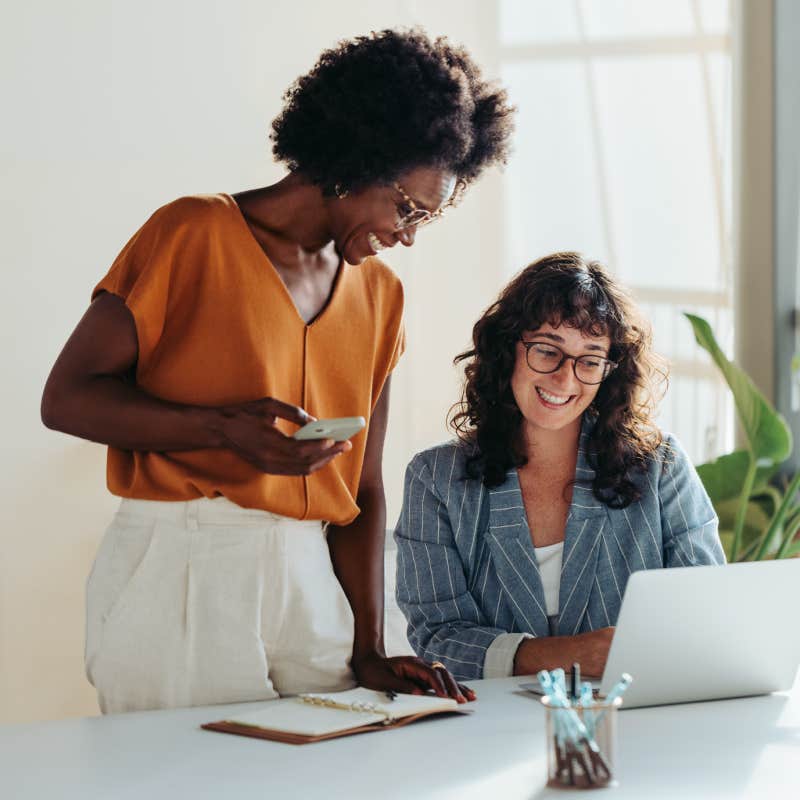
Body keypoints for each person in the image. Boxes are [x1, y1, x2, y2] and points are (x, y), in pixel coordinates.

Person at [41, 28, 514, 713]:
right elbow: (67, 398)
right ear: (358, 160)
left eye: (425, 220)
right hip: (183, 562)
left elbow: (363, 489)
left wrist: (370, 648)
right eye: (407, 208)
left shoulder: (381, 296)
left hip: (309, 577)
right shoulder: (192, 233)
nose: (408, 234)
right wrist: (219, 430)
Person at [395, 252, 725, 681]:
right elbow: (438, 639)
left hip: (634, 716)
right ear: (507, 348)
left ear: (610, 371)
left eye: (589, 360)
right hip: (489, 725)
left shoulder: (661, 467)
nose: (565, 380)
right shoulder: (435, 478)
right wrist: (567, 654)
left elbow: (702, 611)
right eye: (547, 351)